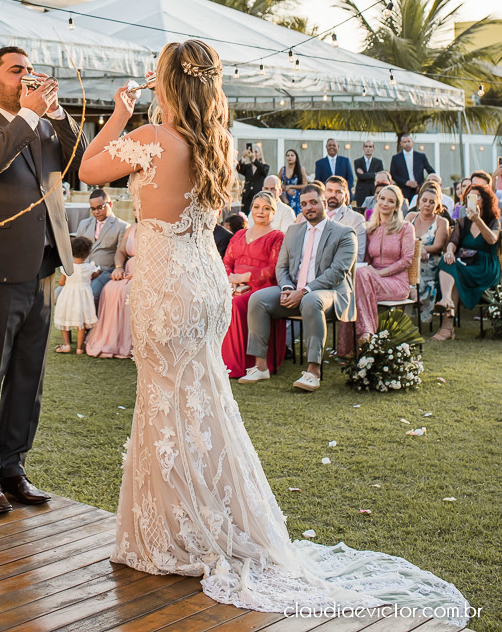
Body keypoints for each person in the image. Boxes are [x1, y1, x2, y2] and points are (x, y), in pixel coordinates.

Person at [76, 39, 467, 617]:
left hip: (166, 284)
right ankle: (205, 520)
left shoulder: (156, 139)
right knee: (202, 400)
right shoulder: (218, 141)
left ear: (169, 84)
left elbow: (89, 168)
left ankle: (174, 532)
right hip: (204, 281)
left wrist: (117, 114)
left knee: (163, 401)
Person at [0, 46, 86, 514]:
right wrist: (27, 117)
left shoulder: (47, 124)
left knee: (29, 376)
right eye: (16, 71)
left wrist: (60, 113)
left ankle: (12, 467)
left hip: (44, 268)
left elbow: (83, 164)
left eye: (30, 70)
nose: (26, 77)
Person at [243, 185, 356, 391]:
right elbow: (282, 266)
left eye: (313, 202)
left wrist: (303, 291)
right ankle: (260, 366)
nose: (308, 207)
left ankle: (313, 371)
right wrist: (286, 287)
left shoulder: (344, 233)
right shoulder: (294, 231)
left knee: (311, 300)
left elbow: (337, 272)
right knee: (257, 299)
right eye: (304, 204)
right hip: (294, 290)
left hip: (331, 294)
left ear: (324, 203)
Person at [221, 191, 285, 379]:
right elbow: (227, 261)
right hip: (234, 285)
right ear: (251, 210)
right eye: (256, 207)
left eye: (266, 208)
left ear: (273, 212)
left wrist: (243, 278)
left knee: (236, 304)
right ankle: (217, 360)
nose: (260, 212)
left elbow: (272, 269)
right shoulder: (239, 234)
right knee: (219, 299)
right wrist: (229, 280)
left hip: (261, 287)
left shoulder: (277, 236)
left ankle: (238, 364)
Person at [434, 183, 501, 341]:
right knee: (448, 261)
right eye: (470, 196)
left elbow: (492, 240)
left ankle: (447, 327)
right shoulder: (462, 222)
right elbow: (453, 241)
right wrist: (450, 251)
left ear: (485, 200)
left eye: (477, 196)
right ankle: (447, 301)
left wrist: (477, 220)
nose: (474, 199)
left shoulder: (493, 221)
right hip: (465, 263)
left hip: (485, 266)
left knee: (456, 271)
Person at [350, 185, 414, 347]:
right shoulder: (370, 229)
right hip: (370, 279)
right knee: (353, 285)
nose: (385, 203)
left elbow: (407, 260)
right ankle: (353, 345)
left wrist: (381, 273)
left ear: (396, 206)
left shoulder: (406, 228)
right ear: (377, 200)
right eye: (382, 199)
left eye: (390, 201)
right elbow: (365, 261)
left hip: (396, 283)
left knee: (359, 283)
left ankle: (366, 333)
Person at [86, 223, 137, 359]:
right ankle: (111, 339)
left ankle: (130, 342)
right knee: (109, 288)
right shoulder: (132, 228)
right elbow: (120, 251)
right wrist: (119, 267)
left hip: (147, 272)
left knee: (128, 291)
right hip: (127, 271)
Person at [75, 188, 129, 307]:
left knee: (90, 294)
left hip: (105, 272)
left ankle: (92, 325)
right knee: (63, 293)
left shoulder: (122, 227)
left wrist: (118, 268)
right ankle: (78, 325)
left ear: (110, 204)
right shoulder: (84, 224)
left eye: (100, 207)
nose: (96, 212)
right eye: (93, 209)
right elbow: (76, 251)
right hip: (83, 271)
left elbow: (122, 253)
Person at [410, 183, 451, 324]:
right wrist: (417, 249)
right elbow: (401, 239)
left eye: (432, 202)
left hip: (430, 261)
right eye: (424, 200)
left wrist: (422, 249)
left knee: (419, 268)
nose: (427, 204)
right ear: (419, 201)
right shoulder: (410, 217)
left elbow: (438, 246)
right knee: (405, 266)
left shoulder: (441, 221)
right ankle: (413, 298)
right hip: (411, 257)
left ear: (437, 204)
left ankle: (418, 298)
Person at [53, 236, 97, 354]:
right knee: (81, 323)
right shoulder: (89, 267)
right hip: (83, 298)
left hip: (68, 296)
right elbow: (93, 275)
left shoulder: (67, 267)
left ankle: (66, 345)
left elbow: (62, 282)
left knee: (64, 321)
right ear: (88, 253)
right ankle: (79, 348)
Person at [324, 176, 367, 261]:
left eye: (338, 192)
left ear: (346, 195)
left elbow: (358, 255)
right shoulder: (315, 215)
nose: (333, 195)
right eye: (329, 190)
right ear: (324, 193)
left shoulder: (356, 219)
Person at [390, 134, 434, 200]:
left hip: (419, 189)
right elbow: (393, 174)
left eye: (408, 141)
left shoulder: (421, 156)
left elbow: (431, 171)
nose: (407, 144)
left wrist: (424, 184)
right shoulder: (396, 158)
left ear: (412, 142)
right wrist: (406, 182)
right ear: (401, 144)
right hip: (403, 190)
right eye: (404, 142)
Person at [235, 143, 268, 213]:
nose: (253, 154)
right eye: (252, 152)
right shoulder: (248, 167)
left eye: (256, 152)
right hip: (247, 195)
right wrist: (244, 157)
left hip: (258, 195)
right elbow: (238, 169)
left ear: (260, 154)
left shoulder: (264, 166)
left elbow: (264, 172)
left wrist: (254, 159)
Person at [353, 140, 384, 208]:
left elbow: (380, 176)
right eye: (366, 146)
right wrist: (374, 174)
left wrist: (365, 174)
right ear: (363, 148)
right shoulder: (357, 162)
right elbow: (360, 176)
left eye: (370, 146)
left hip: (374, 191)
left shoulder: (378, 162)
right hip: (361, 192)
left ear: (373, 148)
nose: (368, 148)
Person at [279, 148, 306, 215]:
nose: (289, 157)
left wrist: (291, 186)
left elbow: (305, 185)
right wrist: (285, 188)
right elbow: (277, 183)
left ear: (296, 157)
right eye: (288, 155)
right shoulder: (283, 169)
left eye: (292, 155)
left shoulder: (300, 169)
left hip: (297, 198)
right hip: (285, 198)